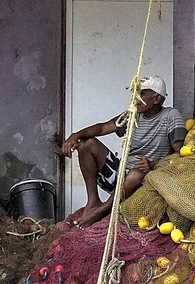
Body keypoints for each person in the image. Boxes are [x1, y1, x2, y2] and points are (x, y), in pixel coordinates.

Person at [61, 76, 185, 228]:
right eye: (135, 93)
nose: (136, 98)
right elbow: (102, 128)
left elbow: (180, 155)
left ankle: (103, 210)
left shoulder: (171, 116)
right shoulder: (132, 115)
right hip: (121, 177)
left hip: (146, 181)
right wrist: (76, 135)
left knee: (137, 172)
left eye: (142, 93)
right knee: (86, 144)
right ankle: (93, 202)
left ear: (157, 98)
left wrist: (152, 164)